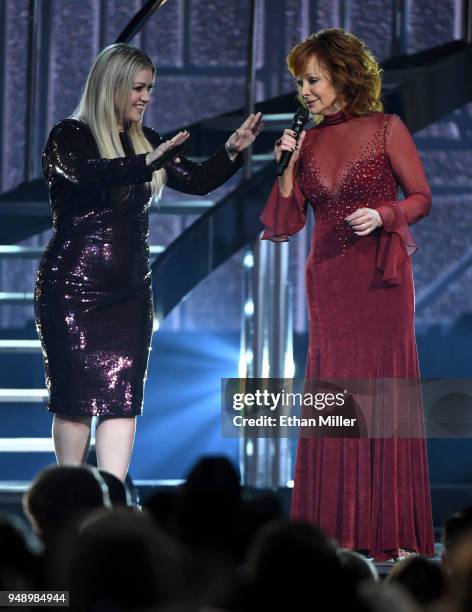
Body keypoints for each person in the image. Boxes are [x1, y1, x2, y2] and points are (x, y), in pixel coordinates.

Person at [36, 43, 263, 482]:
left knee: (122, 398)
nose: (146, 97)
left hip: (130, 295)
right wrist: (144, 163)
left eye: (150, 89)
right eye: (139, 88)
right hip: (73, 290)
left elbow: (196, 181)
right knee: (75, 401)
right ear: (113, 87)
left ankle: (114, 498)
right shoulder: (69, 136)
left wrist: (232, 153)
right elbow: (89, 173)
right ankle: (72, 500)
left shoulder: (147, 139)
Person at [260, 28, 434, 560]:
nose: (304, 90)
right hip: (329, 280)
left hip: (380, 282)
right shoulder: (305, 141)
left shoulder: (386, 128)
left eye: (312, 79)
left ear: (342, 76)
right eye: (299, 81)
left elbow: (421, 199)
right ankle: (336, 535)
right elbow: (286, 222)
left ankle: (388, 531)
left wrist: (384, 213)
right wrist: (287, 169)